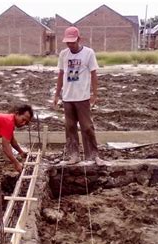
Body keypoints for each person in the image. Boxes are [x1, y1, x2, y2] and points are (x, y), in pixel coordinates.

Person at [53, 26, 108, 166]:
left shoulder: (88, 53)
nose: (70, 45)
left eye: (72, 42)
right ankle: (74, 155)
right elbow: (61, 74)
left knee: (87, 127)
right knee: (69, 127)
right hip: (67, 98)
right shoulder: (63, 54)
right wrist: (57, 95)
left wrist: (94, 94)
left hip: (82, 97)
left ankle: (93, 155)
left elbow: (94, 74)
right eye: (68, 42)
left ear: (79, 39)